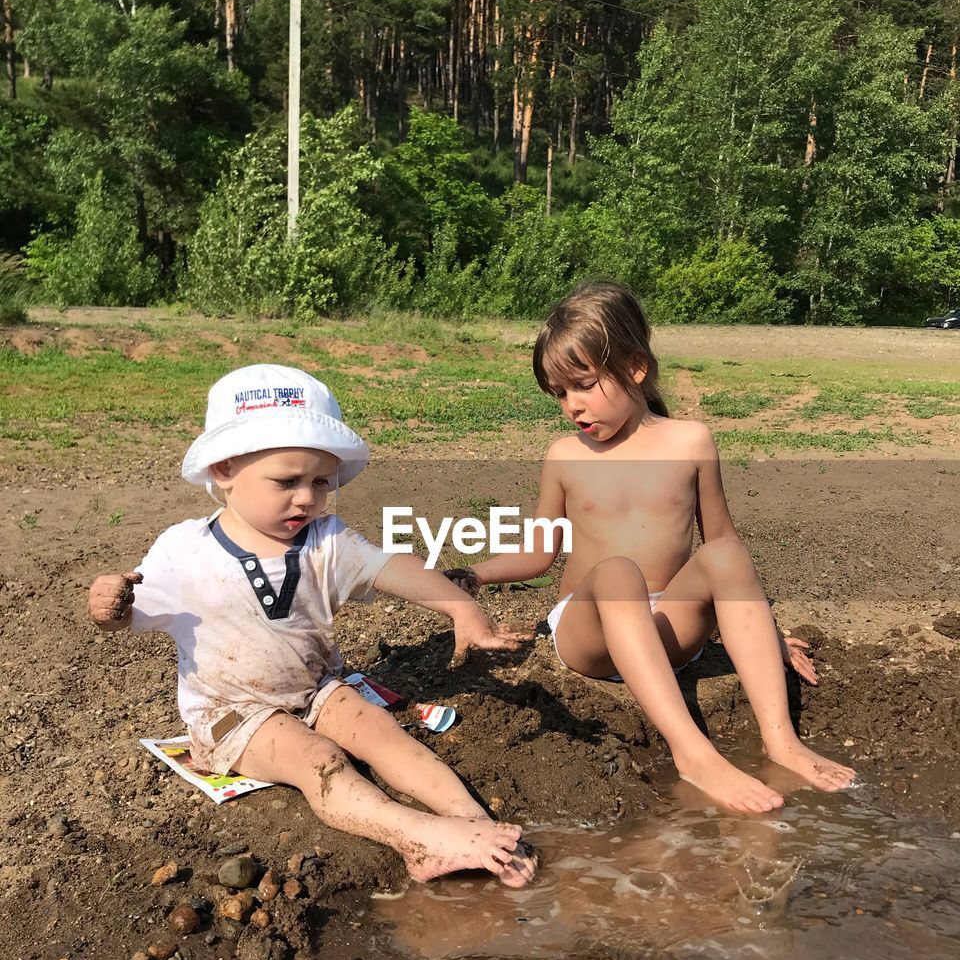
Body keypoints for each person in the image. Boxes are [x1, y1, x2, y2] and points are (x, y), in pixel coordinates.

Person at [88, 364, 536, 887]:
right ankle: (418, 840)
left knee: (382, 732)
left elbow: (390, 566)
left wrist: (460, 606)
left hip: (315, 687)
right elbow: (130, 614)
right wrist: (110, 607)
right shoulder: (184, 550)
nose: (307, 497)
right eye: (287, 481)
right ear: (225, 468)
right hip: (232, 711)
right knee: (318, 759)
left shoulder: (325, 540)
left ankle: (476, 825)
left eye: (320, 481)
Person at [448, 283, 855, 814]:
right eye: (560, 394)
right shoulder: (566, 456)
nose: (572, 407)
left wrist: (768, 633)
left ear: (636, 367)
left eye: (584, 386)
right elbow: (538, 556)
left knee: (728, 557)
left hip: (668, 628)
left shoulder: (691, 443)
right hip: (589, 629)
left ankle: (781, 742)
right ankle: (693, 753)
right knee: (618, 572)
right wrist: (471, 575)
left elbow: (722, 544)